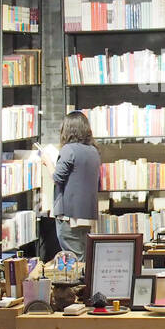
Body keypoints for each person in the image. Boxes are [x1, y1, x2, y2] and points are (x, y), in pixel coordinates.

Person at [52, 111, 101, 260]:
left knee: (74, 259)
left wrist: (48, 162)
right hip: (87, 215)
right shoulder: (94, 151)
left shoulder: (69, 150)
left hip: (69, 215)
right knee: (84, 256)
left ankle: (80, 284)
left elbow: (57, 177)